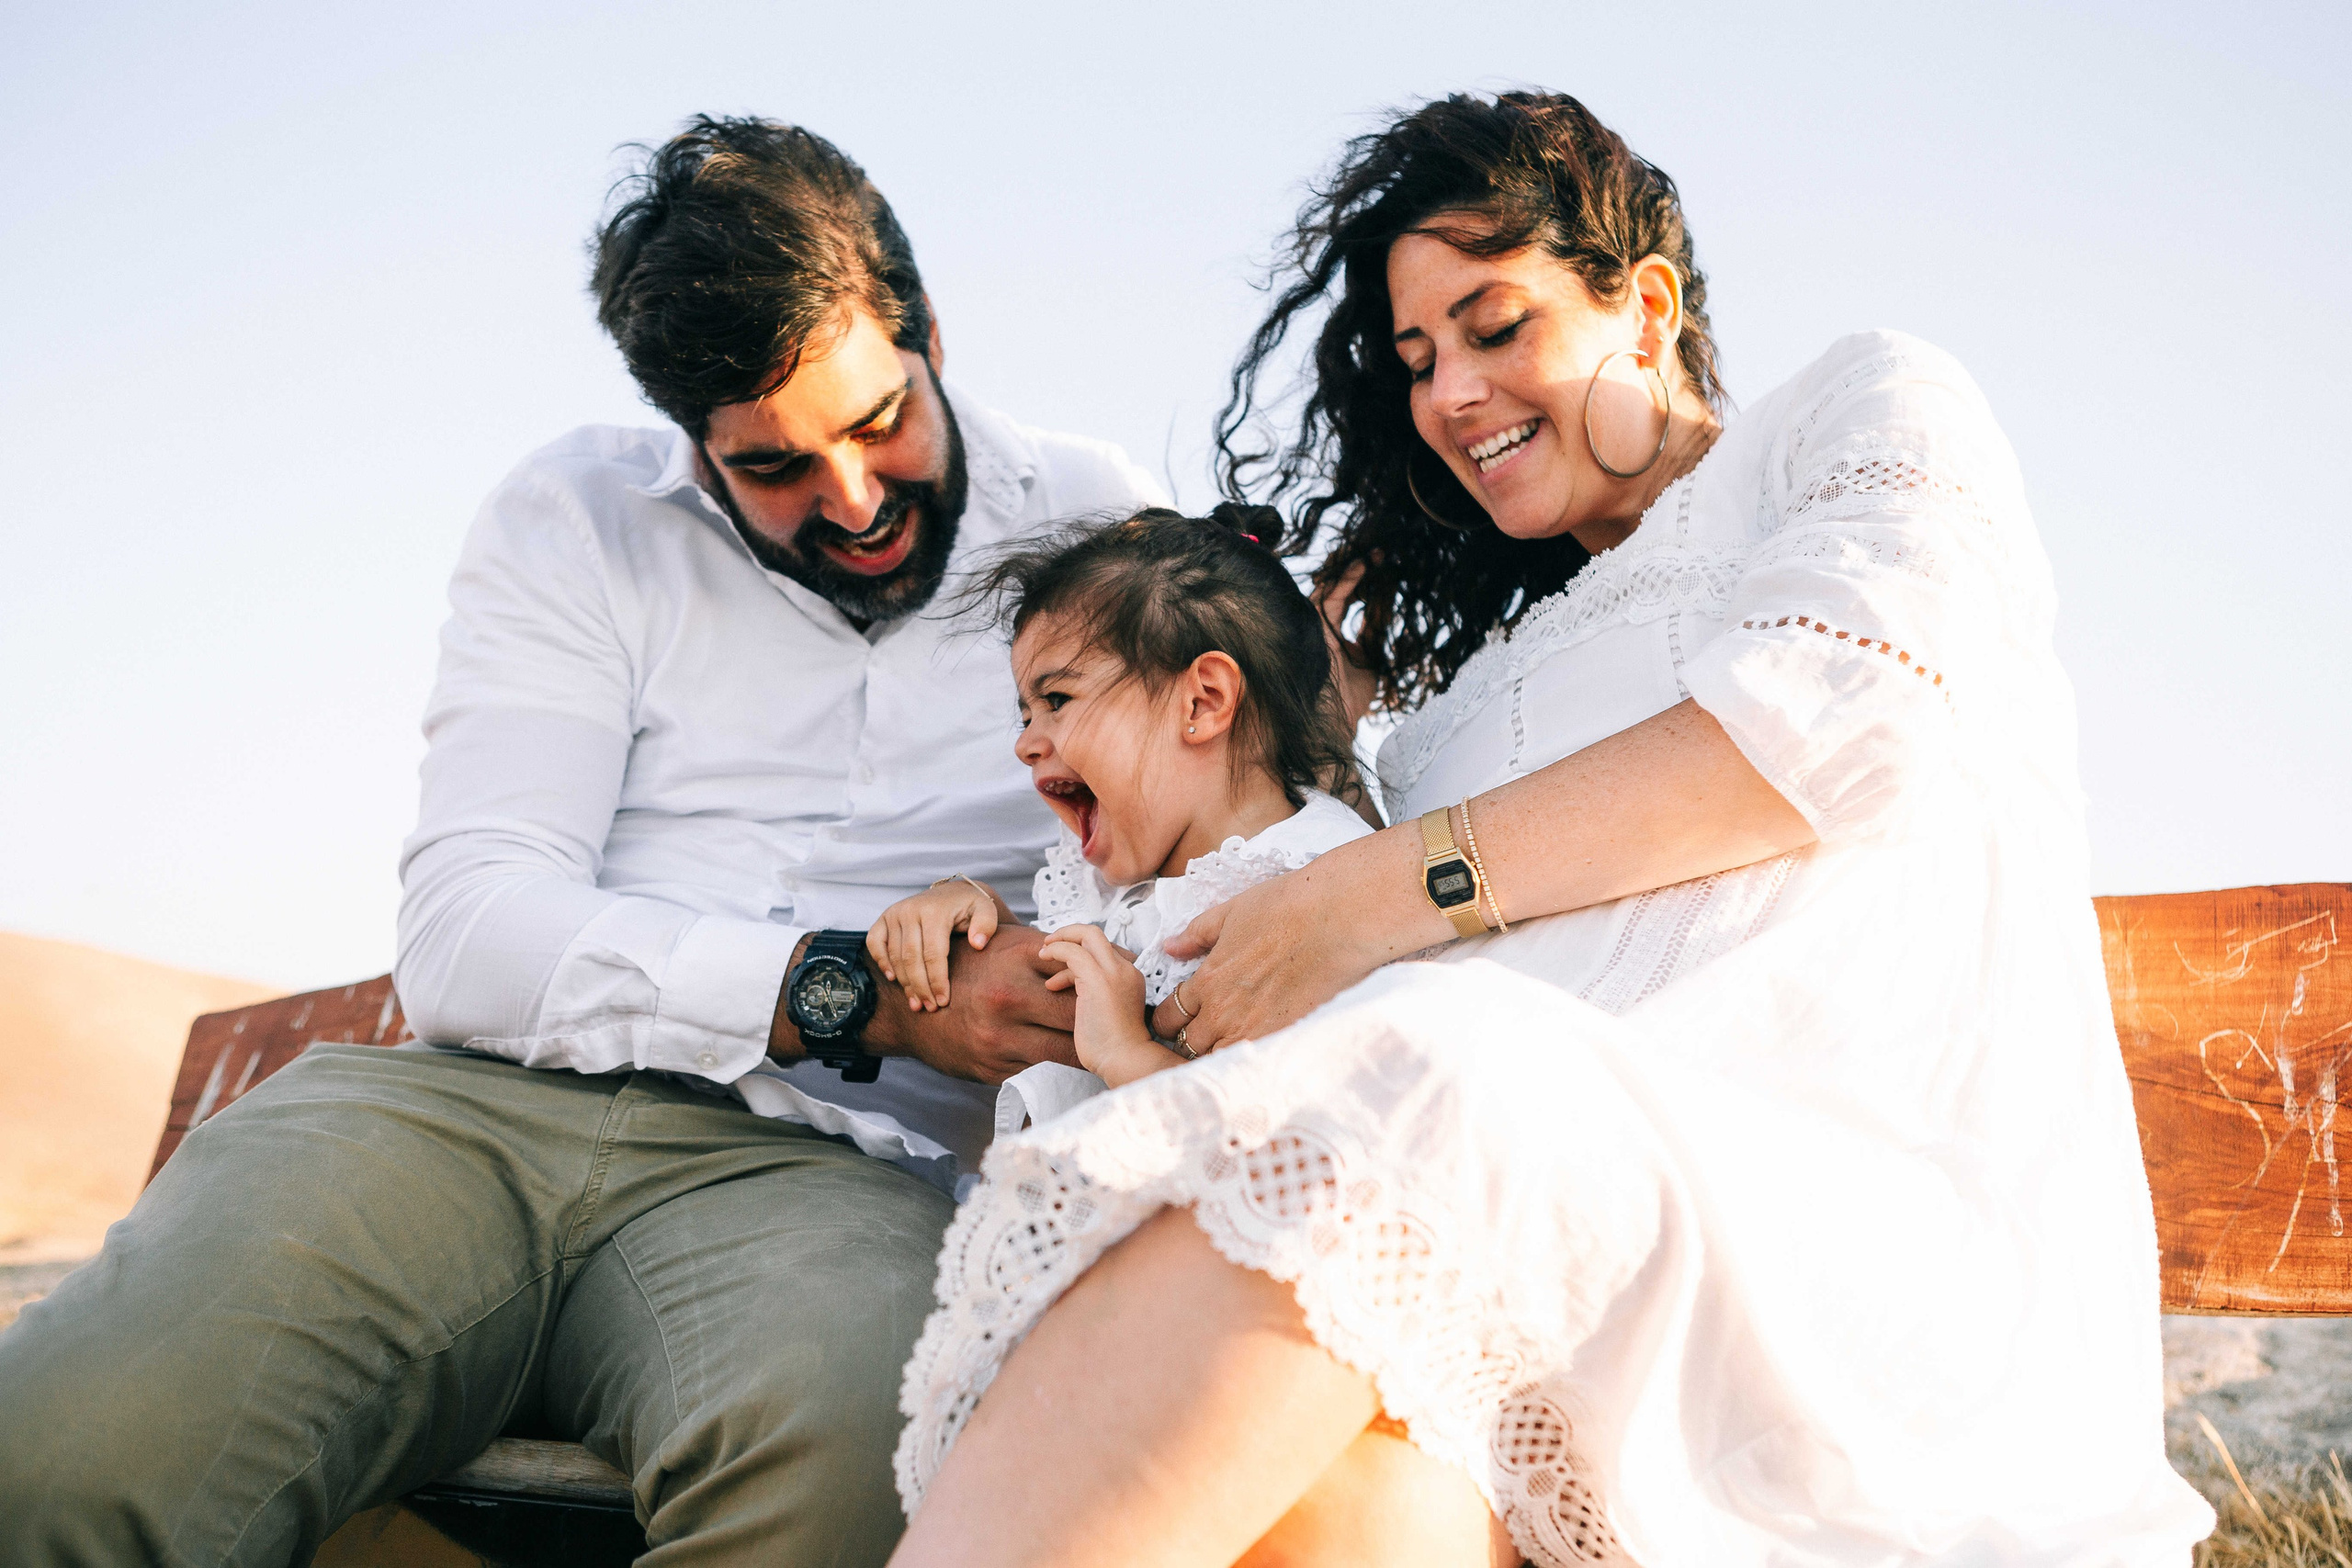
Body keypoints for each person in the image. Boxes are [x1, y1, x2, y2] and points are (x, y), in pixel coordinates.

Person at [889, 93, 2215, 1566]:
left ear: (1643, 306)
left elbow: (1849, 712)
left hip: (1849, 1254)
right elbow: (1238, 845)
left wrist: (1392, 887)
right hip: (1547, 1285)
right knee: (1334, 1508)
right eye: (1416, 361)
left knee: (1445, 1061)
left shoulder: (1850, 416)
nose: (1452, 391)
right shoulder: (1465, 697)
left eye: (1493, 323)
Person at [0, 117, 1163, 1565]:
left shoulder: (1106, 527)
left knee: (858, 1475)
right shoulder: (578, 515)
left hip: (834, 1177)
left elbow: (1182, 863)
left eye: (878, 423)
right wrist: (855, 993)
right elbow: (472, 933)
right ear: (694, 437)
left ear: (928, 328)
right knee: (62, 1453)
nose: (853, 501)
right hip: (464, 1120)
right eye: (777, 466)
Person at [865, 505, 1373, 1116]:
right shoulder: (1111, 883)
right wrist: (982, 924)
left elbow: (1292, 1153)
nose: (1025, 743)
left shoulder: (1322, 890)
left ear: (1203, 701)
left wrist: (1131, 1054)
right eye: (1026, 715)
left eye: (1057, 699)